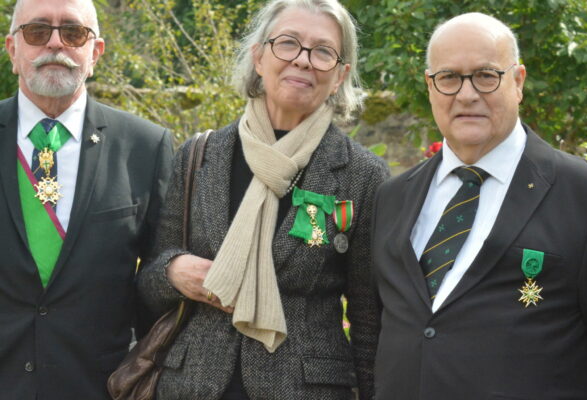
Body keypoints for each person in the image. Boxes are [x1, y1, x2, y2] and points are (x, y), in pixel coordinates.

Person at [371, 12, 587, 400]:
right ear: (430, 86)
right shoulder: (392, 197)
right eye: (448, 78)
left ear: (518, 81)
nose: (466, 94)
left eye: (485, 75)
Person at [137, 0, 388, 399]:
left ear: (340, 75)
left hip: (305, 388)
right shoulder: (200, 156)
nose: (303, 61)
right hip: (192, 385)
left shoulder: (362, 175)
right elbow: (149, 279)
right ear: (258, 57)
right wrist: (173, 271)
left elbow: (367, 313)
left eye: (323, 51)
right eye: (288, 43)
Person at [0, 0, 173, 398]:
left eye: (73, 33)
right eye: (37, 31)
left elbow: (158, 282)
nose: (55, 44)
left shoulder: (146, 147)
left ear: (95, 53)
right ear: (13, 49)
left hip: (100, 386)